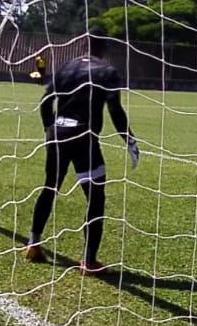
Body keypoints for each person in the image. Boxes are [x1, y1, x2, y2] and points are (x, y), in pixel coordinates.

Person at [25, 28, 139, 274]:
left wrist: (50, 128)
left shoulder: (67, 67)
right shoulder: (107, 72)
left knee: (50, 187)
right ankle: (88, 261)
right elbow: (115, 110)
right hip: (83, 137)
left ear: (84, 45)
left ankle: (33, 244)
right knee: (95, 197)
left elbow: (46, 102)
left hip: (57, 133)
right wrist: (129, 139)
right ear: (104, 47)